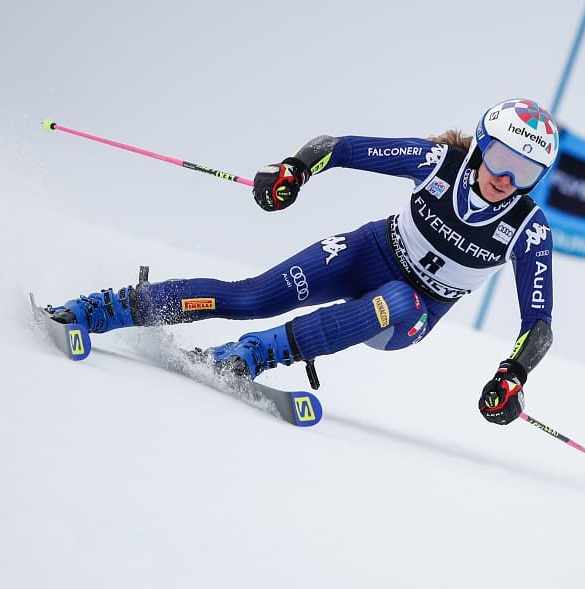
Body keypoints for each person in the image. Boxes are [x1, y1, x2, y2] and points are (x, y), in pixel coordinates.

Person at [47, 98, 558, 426]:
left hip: (411, 314)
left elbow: (538, 325)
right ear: (483, 145)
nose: (506, 179)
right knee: (250, 296)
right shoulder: (440, 163)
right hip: (367, 252)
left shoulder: (529, 228)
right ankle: (101, 310)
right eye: (501, 160)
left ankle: (249, 355)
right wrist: (294, 170)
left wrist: (514, 374)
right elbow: (336, 148)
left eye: (526, 171)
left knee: (398, 298)